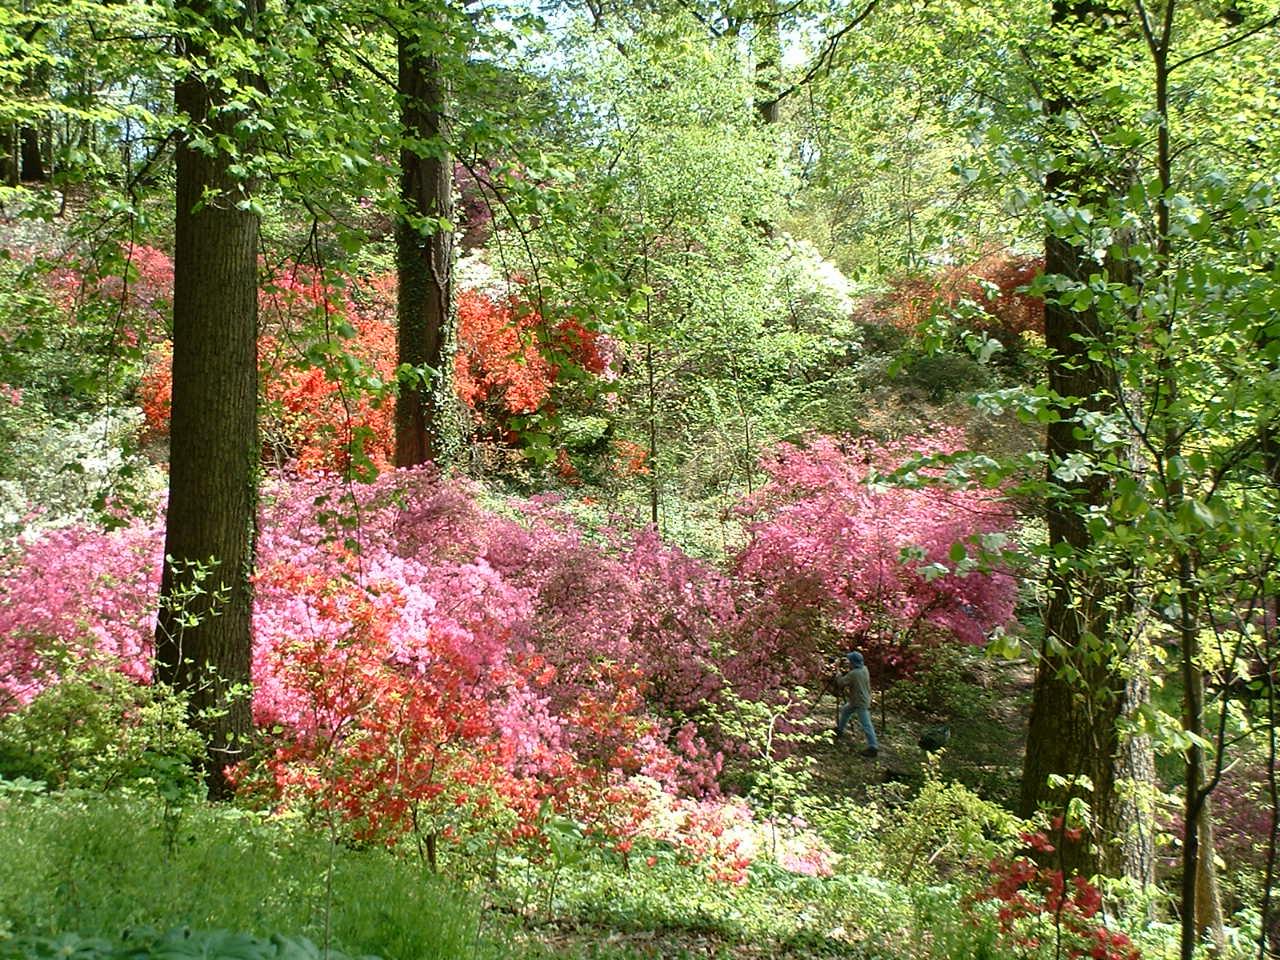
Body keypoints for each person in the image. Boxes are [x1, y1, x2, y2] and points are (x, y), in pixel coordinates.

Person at [834, 651, 879, 758]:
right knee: (845, 711)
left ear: (853, 662)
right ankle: (840, 730)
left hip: (860, 702)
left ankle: (873, 747)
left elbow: (841, 683)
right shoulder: (864, 669)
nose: (848, 663)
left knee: (866, 724)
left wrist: (838, 672)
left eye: (849, 661)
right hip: (859, 699)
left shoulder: (854, 674)